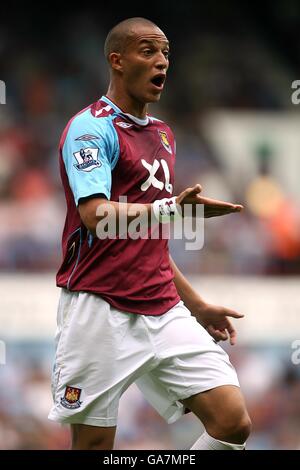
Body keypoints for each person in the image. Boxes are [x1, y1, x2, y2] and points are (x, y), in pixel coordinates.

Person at [48, 17, 251, 450]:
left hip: (162, 307)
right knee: (94, 446)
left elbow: (149, 238)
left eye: (166, 54)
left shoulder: (163, 135)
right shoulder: (89, 128)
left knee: (233, 423)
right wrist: (172, 209)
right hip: (99, 306)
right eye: (149, 52)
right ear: (117, 61)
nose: (162, 62)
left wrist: (195, 304)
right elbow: (95, 216)